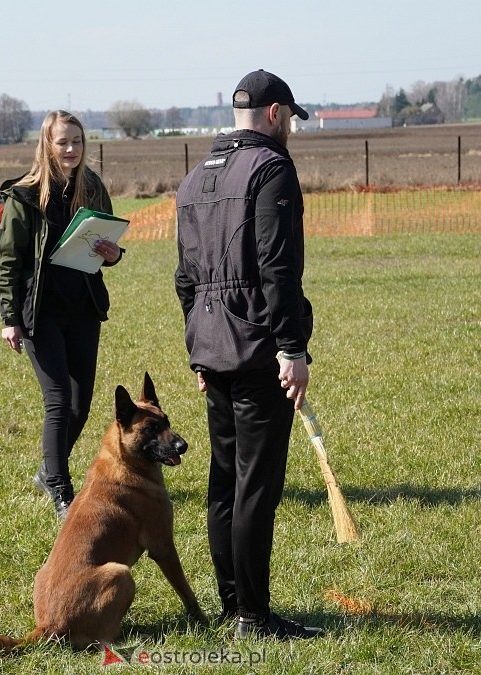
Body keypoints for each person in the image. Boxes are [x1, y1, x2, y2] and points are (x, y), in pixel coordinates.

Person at [174, 70, 319, 640]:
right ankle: (254, 618)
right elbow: (277, 266)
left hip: (212, 348)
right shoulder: (272, 169)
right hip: (259, 349)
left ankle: (234, 604)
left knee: (225, 482)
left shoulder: (193, 179)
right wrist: (292, 347)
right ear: (276, 113)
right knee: (256, 486)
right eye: (291, 119)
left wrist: (198, 351)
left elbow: (185, 278)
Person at [0, 110, 124, 520]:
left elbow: (109, 245)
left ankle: (49, 470)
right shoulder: (24, 196)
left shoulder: (93, 187)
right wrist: (9, 317)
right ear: (47, 146)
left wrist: (114, 253)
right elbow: (7, 261)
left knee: (80, 405)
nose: (71, 149)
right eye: (63, 142)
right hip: (39, 313)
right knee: (58, 400)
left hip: (83, 308)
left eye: (77, 142)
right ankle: (62, 492)